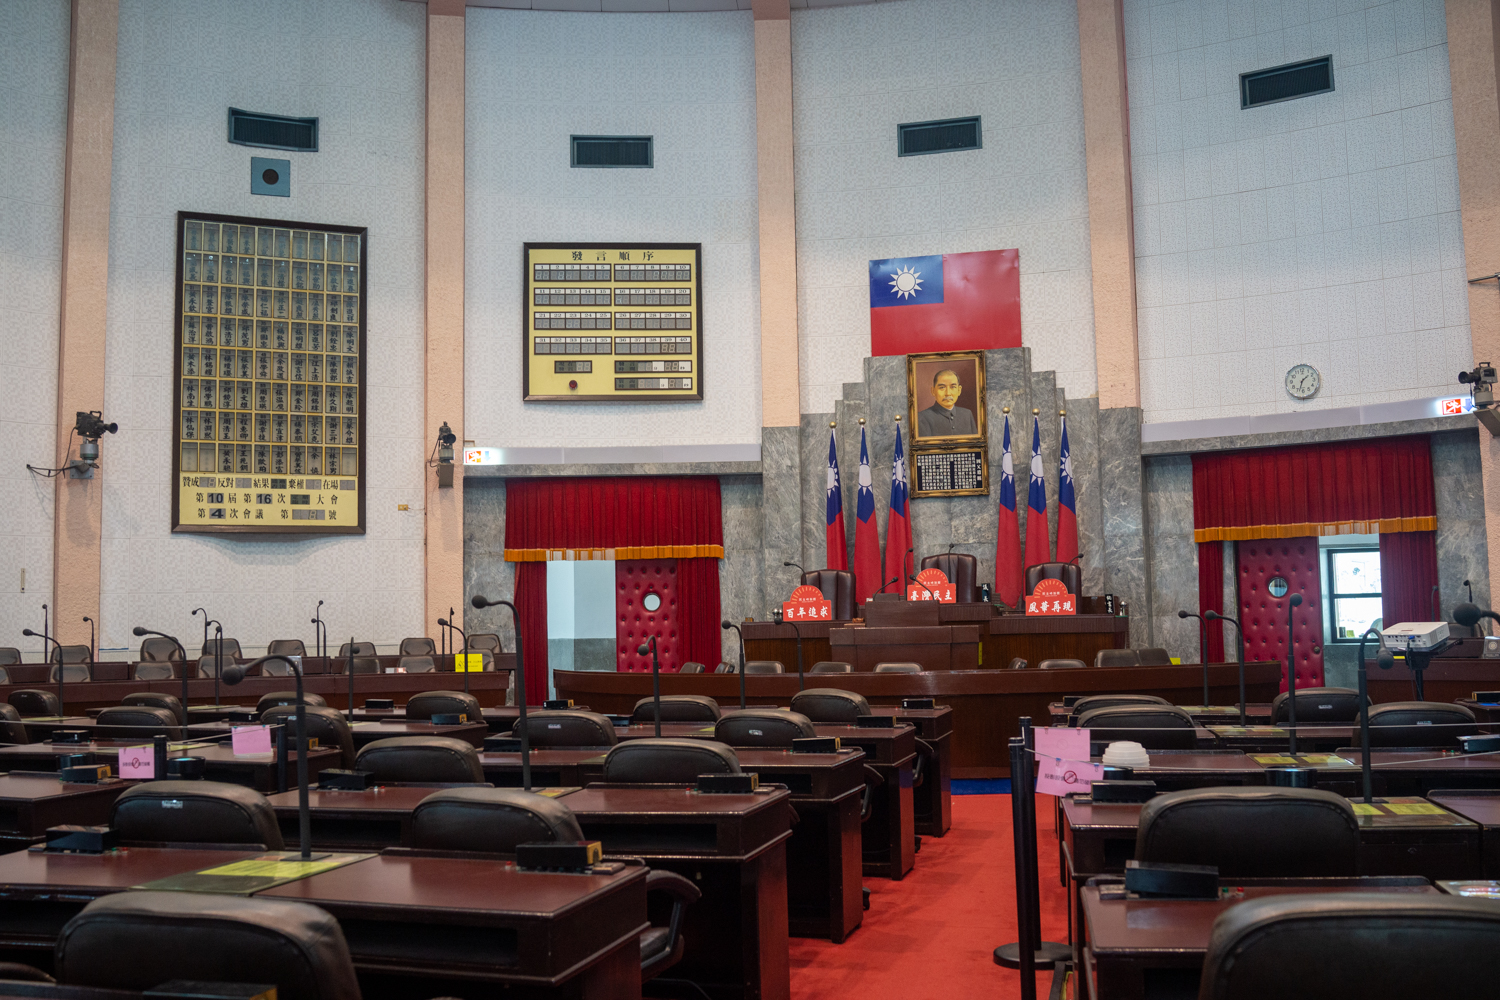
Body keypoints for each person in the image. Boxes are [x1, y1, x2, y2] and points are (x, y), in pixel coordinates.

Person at [918, 368, 977, 437]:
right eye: (942, 387)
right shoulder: (922, 417)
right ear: (933, 391)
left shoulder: (967, 414)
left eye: (953, 387)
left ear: (959, 390)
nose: (948, 393)